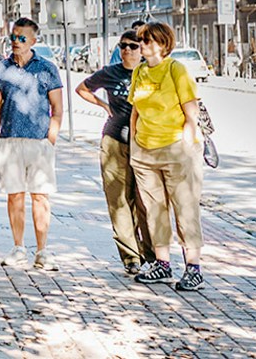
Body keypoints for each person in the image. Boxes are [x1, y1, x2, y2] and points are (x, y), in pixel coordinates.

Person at [127, 21, 206, 291]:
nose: (141, 45)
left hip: (176, 148)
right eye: (140, 40)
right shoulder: (139, 72)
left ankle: (193, 269)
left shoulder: (176, 70)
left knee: (185, 208)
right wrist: (135, 144)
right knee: (154, 210)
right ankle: (162, 264)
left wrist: (186, 144)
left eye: (147, 40)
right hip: (145, 151)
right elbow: (135, 110)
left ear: (163, 44)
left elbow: (191, 111)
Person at [74, 26, 155, 274]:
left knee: (144, 201)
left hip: (145, 144)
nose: (127, 50)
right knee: (118, 200)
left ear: (142, 49)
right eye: (123, 46)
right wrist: (103, 105)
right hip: (115, 141)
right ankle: (130, 256)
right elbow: (82, 88)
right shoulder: (110, 72)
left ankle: (151, 254)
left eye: (133, 46)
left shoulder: (151, 72)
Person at [0, 17, 64, 270]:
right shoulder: (0, 68)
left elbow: (57, 108)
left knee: (40, 196)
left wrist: (50, 139)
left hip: (39, 141)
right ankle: (18, 247)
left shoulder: (47, 68)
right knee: (15, 196)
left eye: (22, 38)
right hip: (9, 140)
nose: (16, 42)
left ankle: (42, 251)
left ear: (33, 40)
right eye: (13, 37)